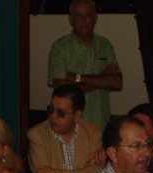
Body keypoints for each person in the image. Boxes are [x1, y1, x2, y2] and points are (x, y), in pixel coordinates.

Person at [48, 0, 122, 129]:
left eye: (88, 15)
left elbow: (117, 82)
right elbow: (62, 89)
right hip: (70, 127)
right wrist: (101, 80)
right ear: (71, 19)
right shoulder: (60, 47)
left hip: (100, 124)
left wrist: (78, 78)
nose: (83, 20)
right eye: (78, 15)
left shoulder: (105, 45)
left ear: (95, 18)